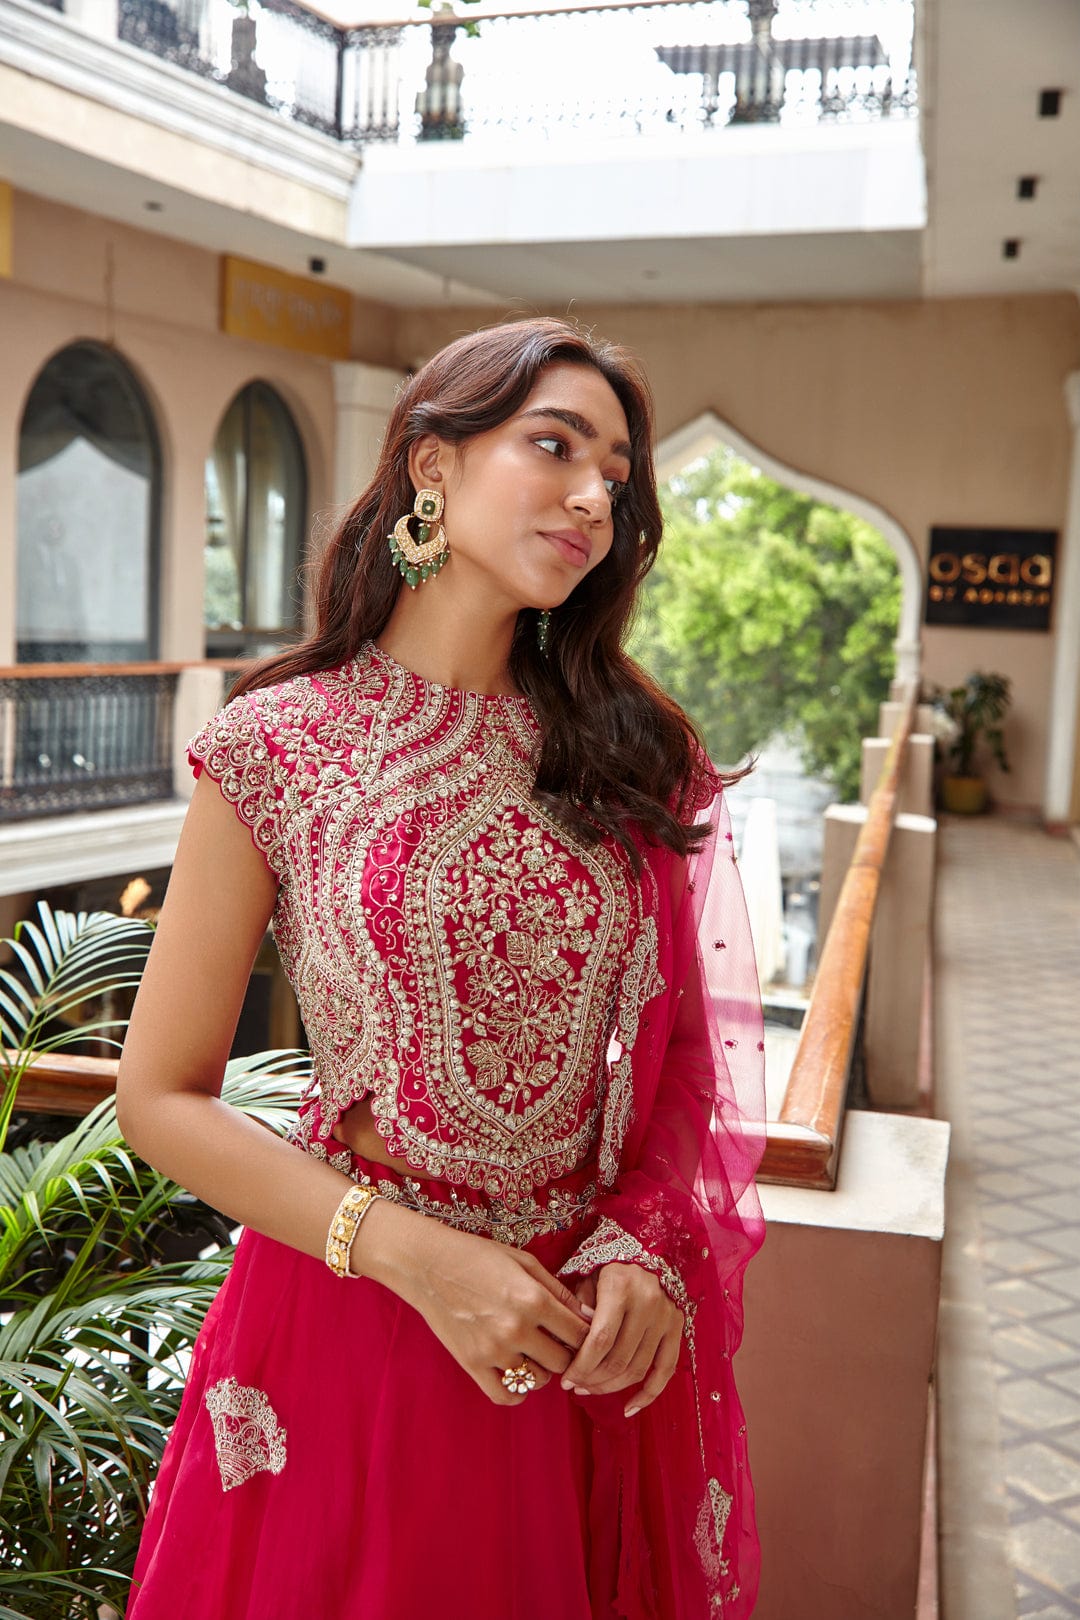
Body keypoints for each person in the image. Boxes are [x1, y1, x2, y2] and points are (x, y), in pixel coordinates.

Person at [117, 316, 766, 1620]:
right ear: (431, 465)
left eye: (618, 476)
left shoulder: (631, 757)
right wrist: (411, 1255)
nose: (593, 496)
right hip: (350, 1320)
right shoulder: (278, 743)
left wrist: (648, 1241)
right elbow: (160, 1096)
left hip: (569, 1338)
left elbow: (694, 1055)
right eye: (554, 446)